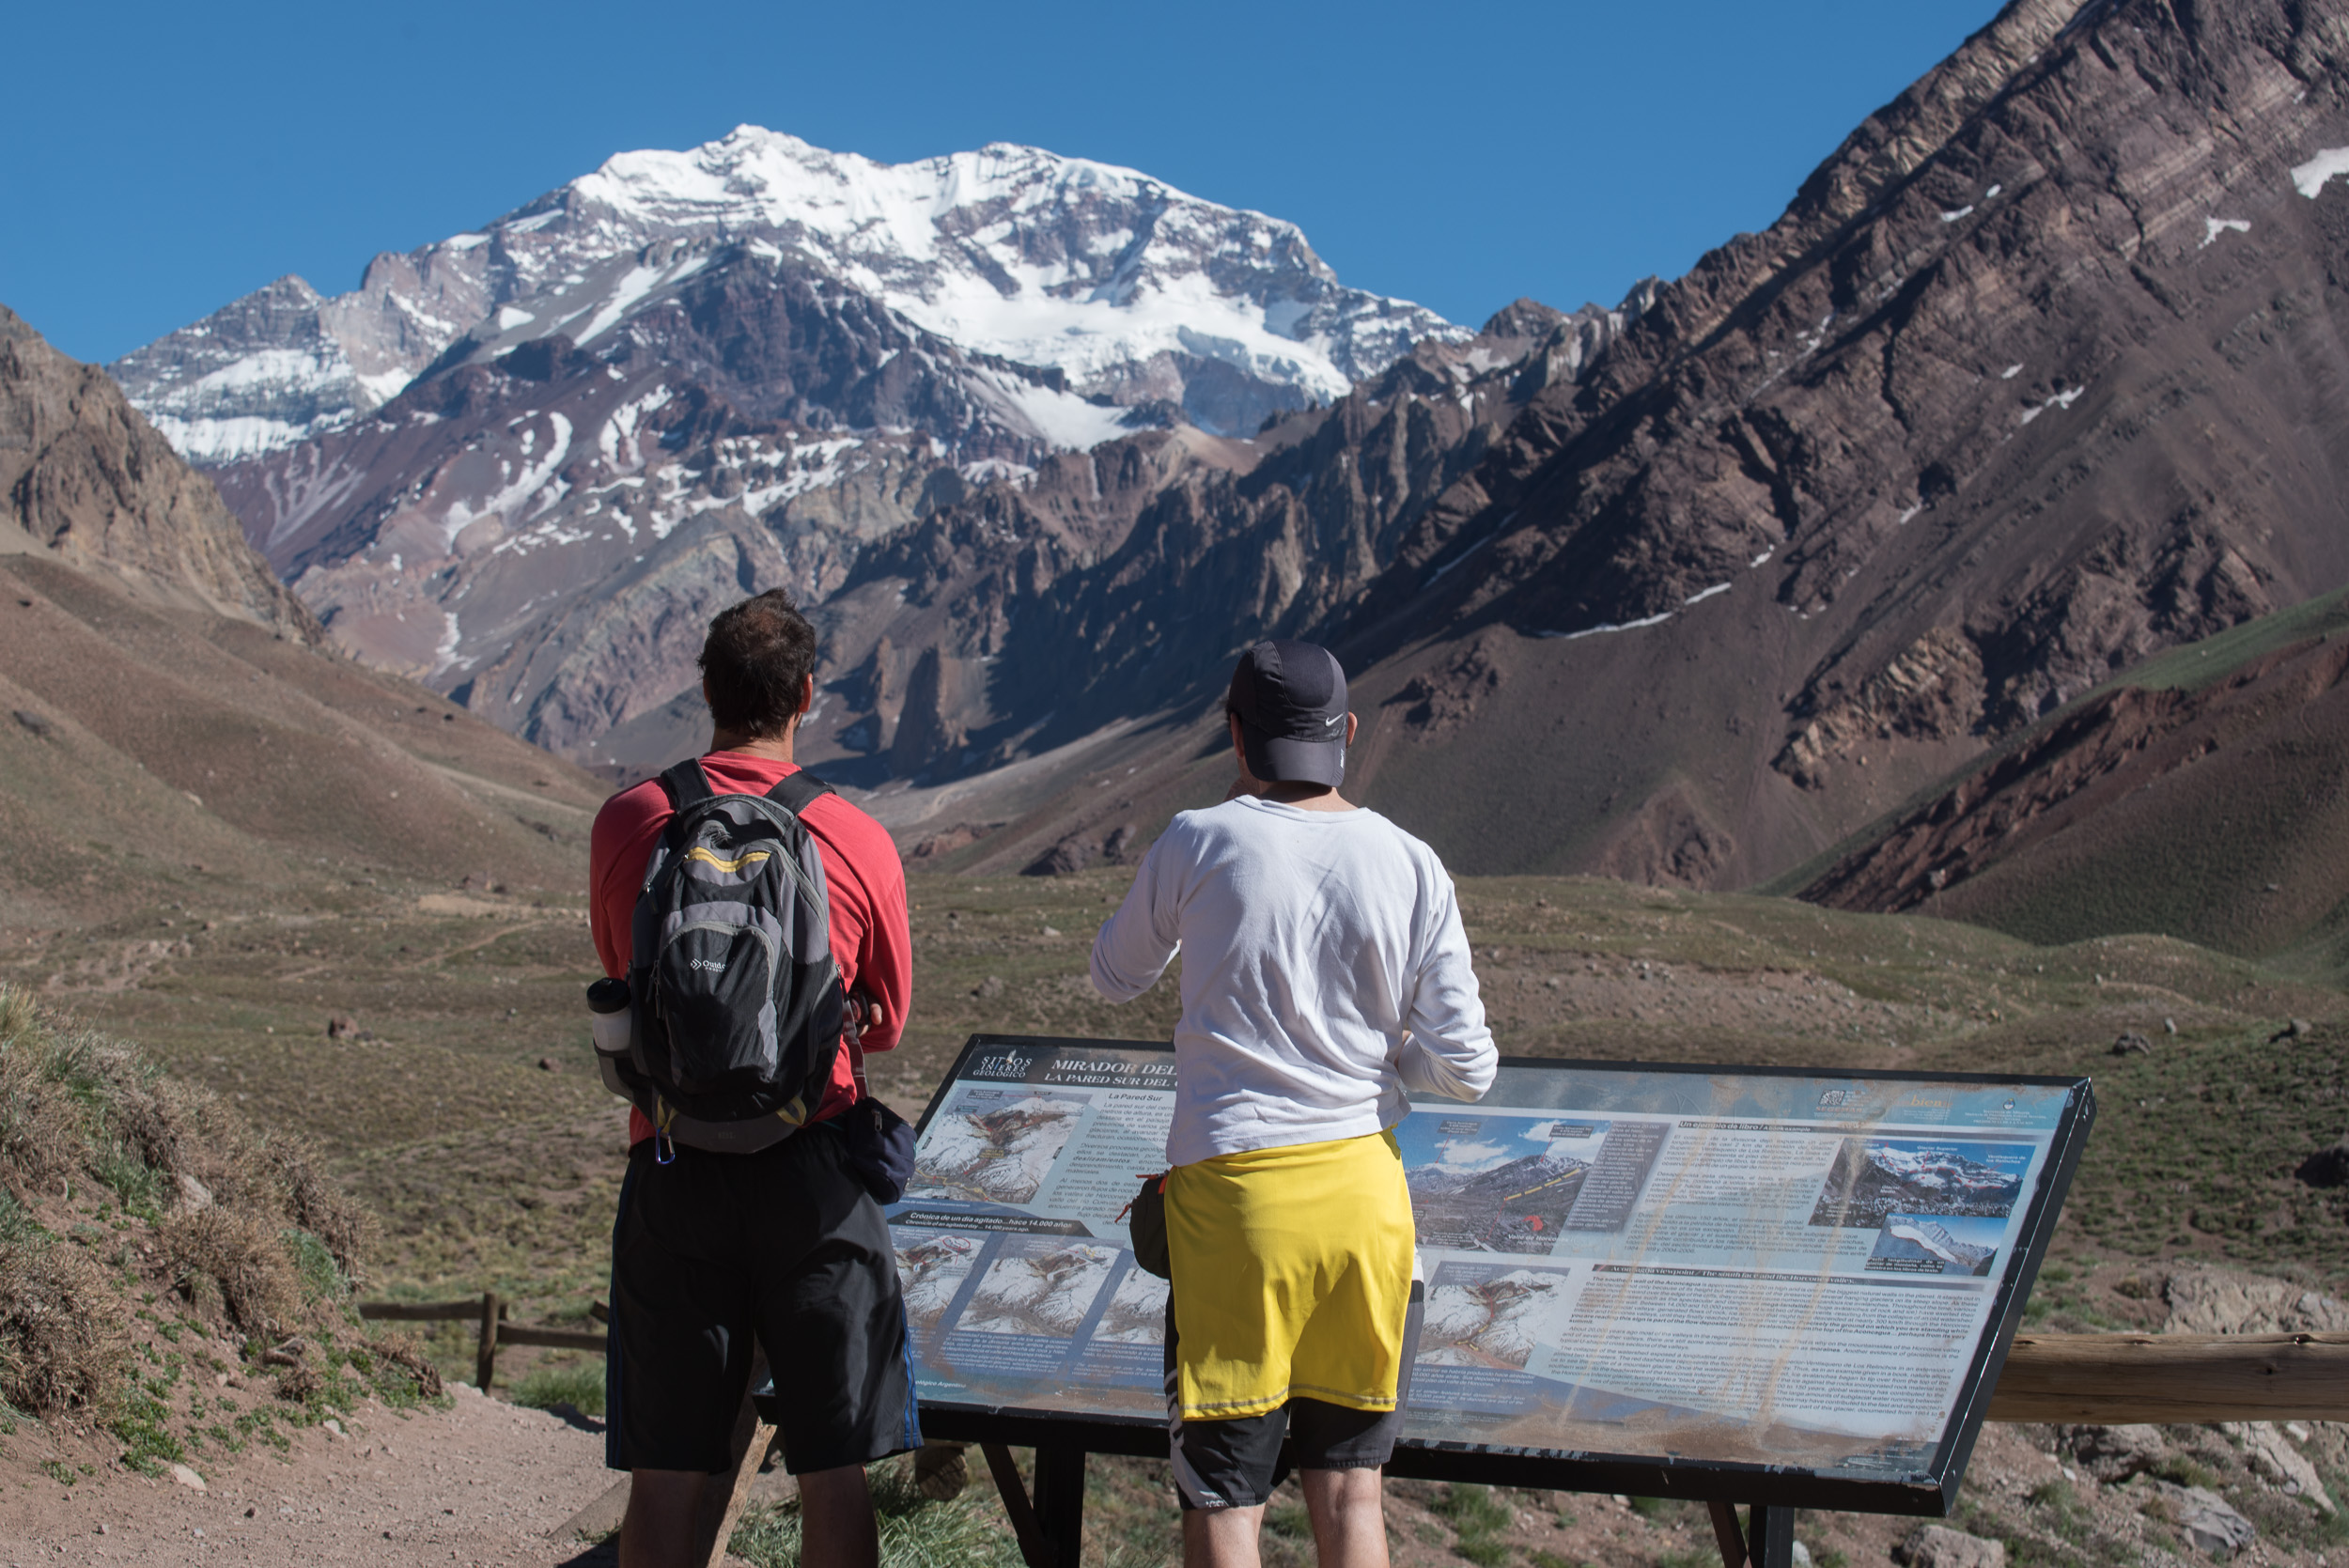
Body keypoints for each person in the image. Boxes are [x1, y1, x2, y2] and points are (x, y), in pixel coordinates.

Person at [1090, 638, 1497, 1568]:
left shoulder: (1197, 837)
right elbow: (1466, 1067)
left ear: (1236, 737)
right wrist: (1387, 1059)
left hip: (1235, 1208)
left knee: (1225, 1501)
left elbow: (1113, 974)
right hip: (1366, 1202)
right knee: (1354, 1496)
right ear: (1346, 733)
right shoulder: (1412, 861)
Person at [588, 590, 918, 1568]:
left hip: (674, 1160)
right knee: (835, 1466)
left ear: (704, 690)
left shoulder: (629, 821)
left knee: (665, 1476)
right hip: (813, 1173)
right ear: (806, 695)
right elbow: (889, 1023)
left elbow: (622, 967)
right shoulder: (855, 837)